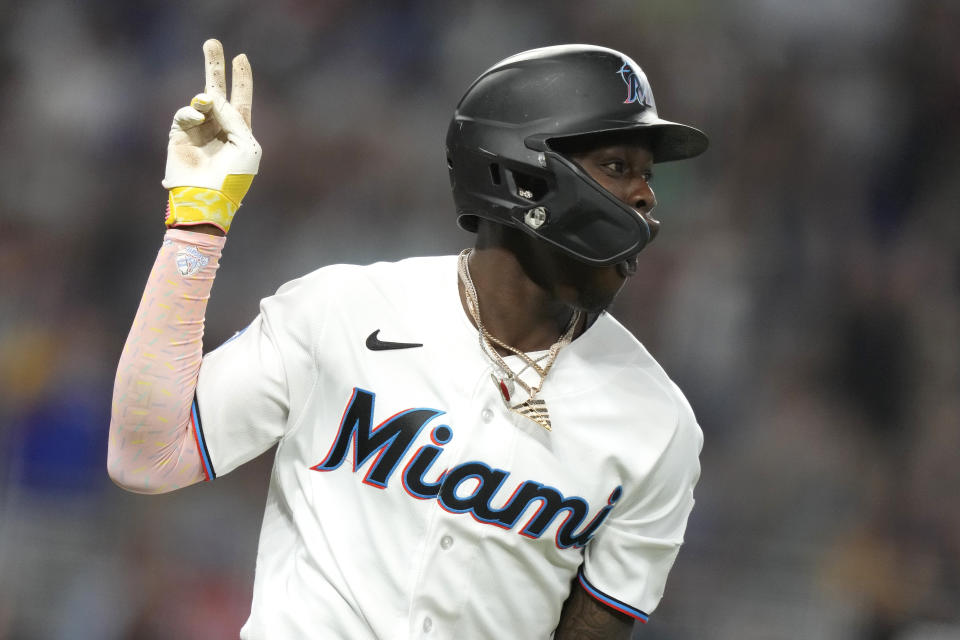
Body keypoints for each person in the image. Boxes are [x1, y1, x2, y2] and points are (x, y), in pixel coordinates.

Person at [108, 38, 708, 639]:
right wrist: (196, 225)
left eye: (647, 176)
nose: (645, 198)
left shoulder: (658, 425)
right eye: (617, 167)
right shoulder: (340, 311)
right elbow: (148, 455)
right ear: (524, 177)